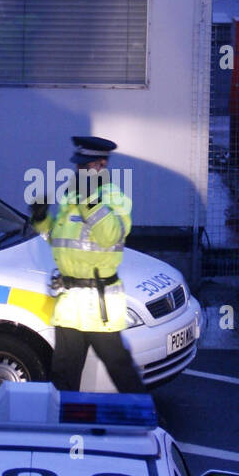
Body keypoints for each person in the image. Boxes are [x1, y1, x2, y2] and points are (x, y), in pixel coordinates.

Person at [29, 136, 144, 393]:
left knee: (119, 367)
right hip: (70, 302)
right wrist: (41, 219)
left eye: (85, 166)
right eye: (79, 166)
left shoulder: (115, 197)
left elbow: (109, 236)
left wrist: (89, 201)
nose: (79, 171)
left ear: (101, 165)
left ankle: (147, 419)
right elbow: (60, 242)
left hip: (99, 303)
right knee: (63, 372)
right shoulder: (74, 196)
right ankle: (63, 426)